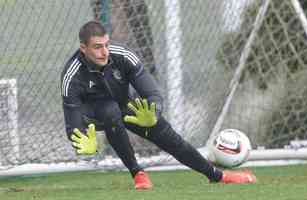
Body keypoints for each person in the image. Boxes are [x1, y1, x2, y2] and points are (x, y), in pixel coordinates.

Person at [61, 21, 257, 190]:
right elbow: (73, 123)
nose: (104, 52)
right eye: (97, 47)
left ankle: (218, 176)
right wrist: (82, 143)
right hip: (94, 115)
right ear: (83, 48)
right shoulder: (71, 76)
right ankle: (137, 173)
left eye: (106, 44)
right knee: (110, 111)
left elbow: (152, 92)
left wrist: (154, 113)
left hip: (125, 105)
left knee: (166, 134)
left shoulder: (123, 56)